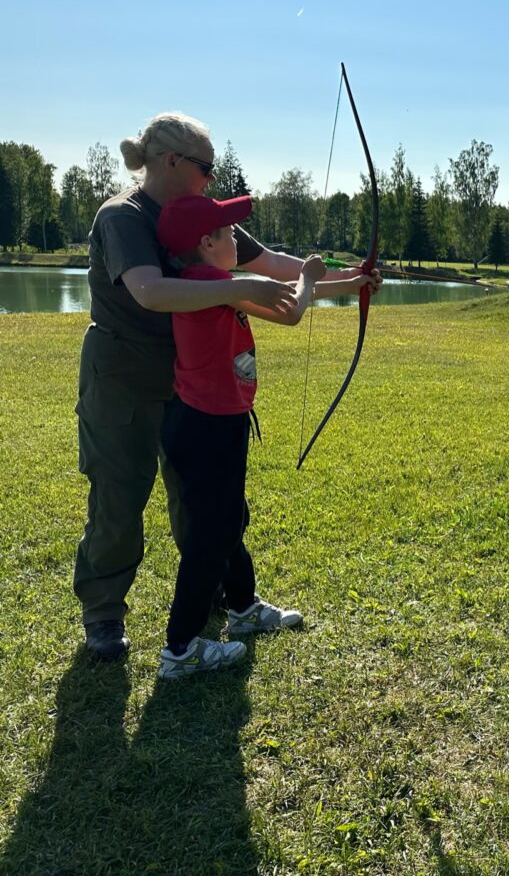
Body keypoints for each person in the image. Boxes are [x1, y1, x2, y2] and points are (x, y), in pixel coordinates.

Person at [76, 112, 379, 660]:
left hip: (189, 378)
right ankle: (103, 613)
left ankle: (217, 590)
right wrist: (241, 288)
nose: (211, 179)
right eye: (205, 168)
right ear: (172, 161)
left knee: (201, 499)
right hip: (123, 373)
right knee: (119, 496)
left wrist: (351, 279)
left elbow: (274, 266)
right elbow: (151, 291)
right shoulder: (125, 216)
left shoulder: (208, 218)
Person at [153, 194, 371, 677]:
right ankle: (180, 648)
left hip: (213, 422)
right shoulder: (209, 282)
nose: (237, 239)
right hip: (205, 426)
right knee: (212, 533)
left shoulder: (208, 283)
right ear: (207, 242)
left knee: (229, 518)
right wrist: (309, 276)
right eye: (230, 233)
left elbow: (283, 298)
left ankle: (243, 607)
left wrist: (352, 282)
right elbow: (291, 309)